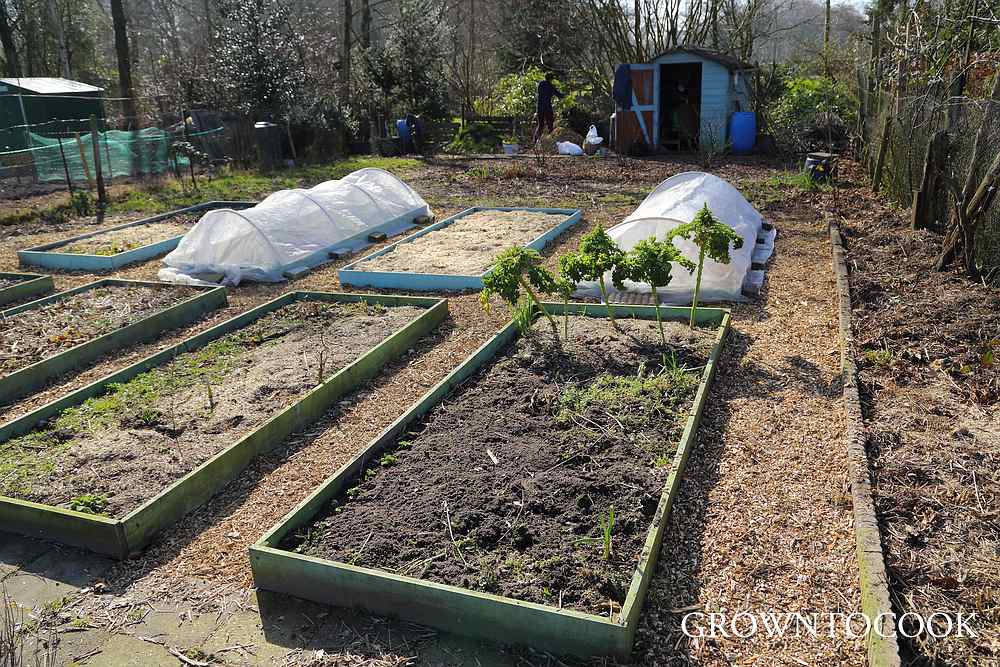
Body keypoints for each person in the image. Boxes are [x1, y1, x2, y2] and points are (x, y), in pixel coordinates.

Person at [533, 72, 563, 145]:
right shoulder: (550, 86)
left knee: (540, 125)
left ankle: (535, 141)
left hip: (539, 108)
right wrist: (565, 95)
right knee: (550, 125)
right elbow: (558, 94)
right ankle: (551, 142)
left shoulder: (540, 84)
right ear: (551, 79)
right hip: (547, 108)